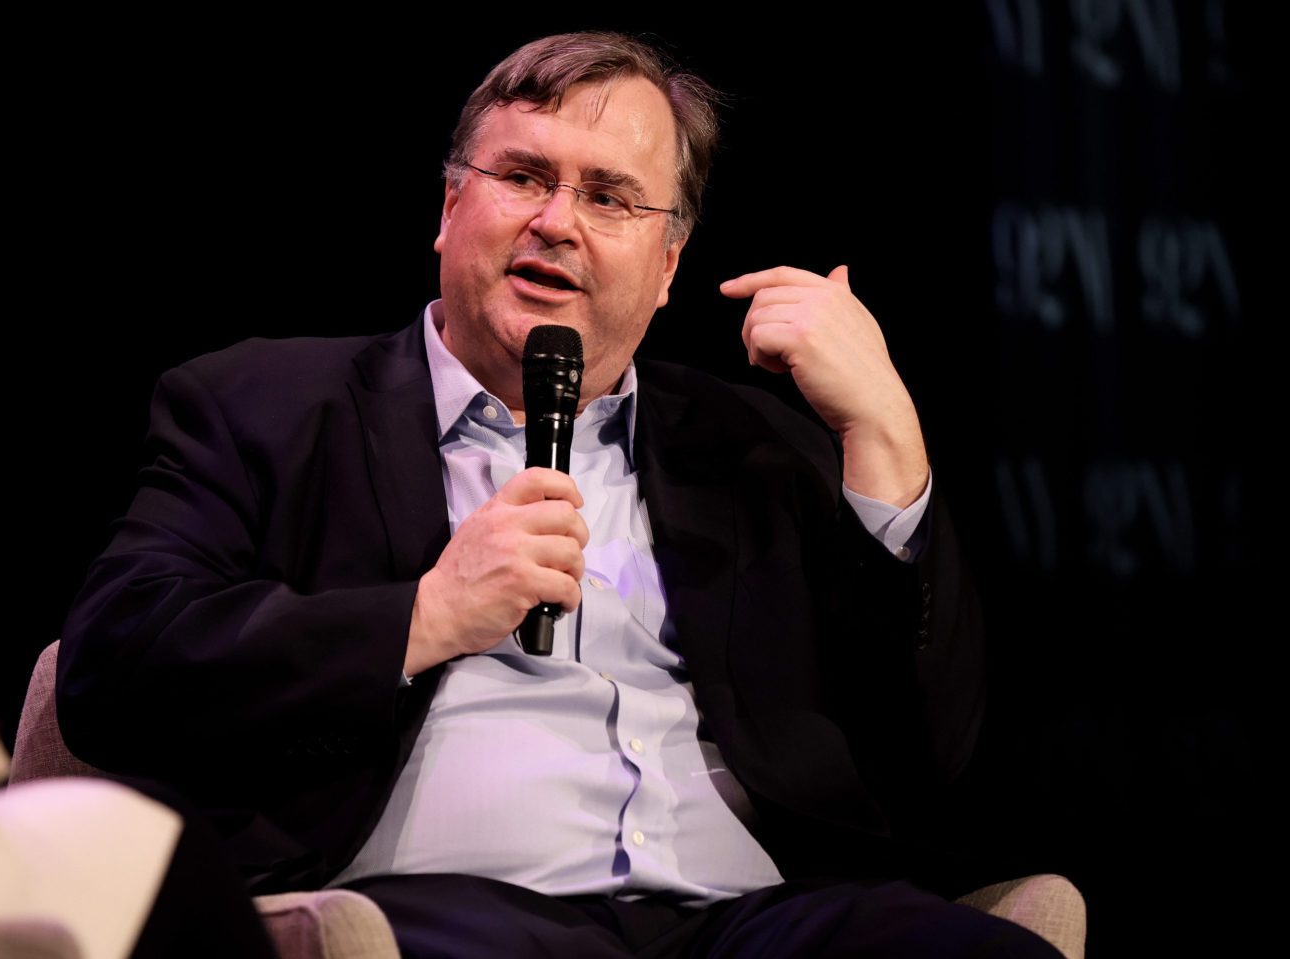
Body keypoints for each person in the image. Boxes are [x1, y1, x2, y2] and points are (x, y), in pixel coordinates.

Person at [58, 31, 1060, 957]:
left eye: (610, 197)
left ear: (667, 265)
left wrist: (885, 432)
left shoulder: (748, 449)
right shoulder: (266, 406)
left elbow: (930, 750)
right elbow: (114, 668)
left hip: (737, 918)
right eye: (525, 176)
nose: (555, 222)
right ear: (449, 212)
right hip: (447, 904)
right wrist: (424, 614)